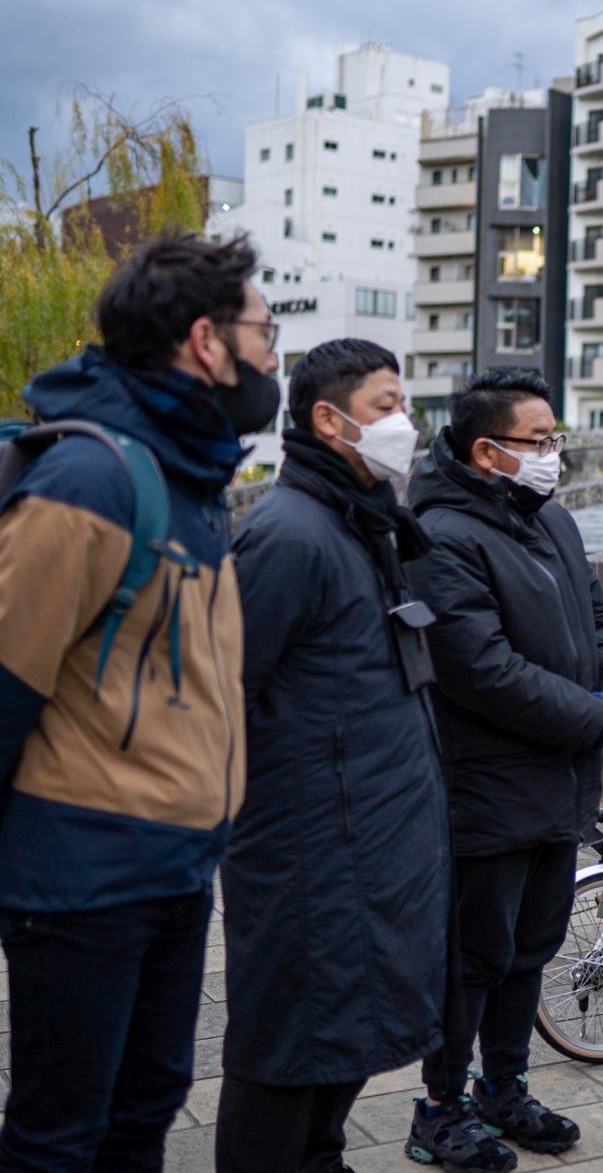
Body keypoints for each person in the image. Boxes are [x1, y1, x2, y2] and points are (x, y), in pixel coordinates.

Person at [0, 232, 279, 1171]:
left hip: (174, 857)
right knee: (59, 1135)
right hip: (82, 870)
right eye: (264, 330)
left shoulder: (189, 475)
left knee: (147, 1107)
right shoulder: (93, 479)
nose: (272, 356)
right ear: (207, 340)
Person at [215, 339, 449, 1173]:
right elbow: (223, 696)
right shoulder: (288, 537)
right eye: (387, 405)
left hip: (372, 847)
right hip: (312, 855)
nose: (405, 424)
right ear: (328, 419)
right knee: (287, 1052)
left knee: (338, 1047)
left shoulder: (360, 522)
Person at [403, 368, 603, 1170]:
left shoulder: (555, 524)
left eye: (554, 439)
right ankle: (440, 1104)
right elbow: (479, 666)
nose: (552, 455)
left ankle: (505, 1088)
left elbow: (602, 618)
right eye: (538, 442)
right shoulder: (440, 534)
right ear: (486, 451)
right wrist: (588, 716)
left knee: (531, 946)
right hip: (487, 781)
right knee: (474, 953)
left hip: (558, 779)